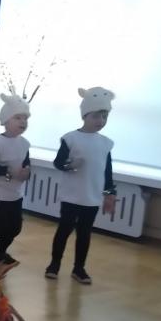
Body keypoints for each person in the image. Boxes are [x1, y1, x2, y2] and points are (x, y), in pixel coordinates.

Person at [45, 87, 117, 285]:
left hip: (92, 197)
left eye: (104, 116)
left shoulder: (106, 143)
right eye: (96, 116)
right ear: (85, 115)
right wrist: (69, 165)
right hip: (71, 196)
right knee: (64, 230)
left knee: (84, 234)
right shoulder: (71, 138)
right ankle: (54, 264)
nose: (101, 121)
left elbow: (107, 171)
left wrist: (110, 193)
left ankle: (79, 268)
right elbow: (58, 163)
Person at [0, 94, 31, 266]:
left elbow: (26, 163)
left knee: (15, 227)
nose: (22, 121)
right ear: (5, 120)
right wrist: (8, 172)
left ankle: (0, 252)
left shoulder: (24, 143)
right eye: (17, 117)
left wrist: (26, 173)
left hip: (15, 195)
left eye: (25, 118)